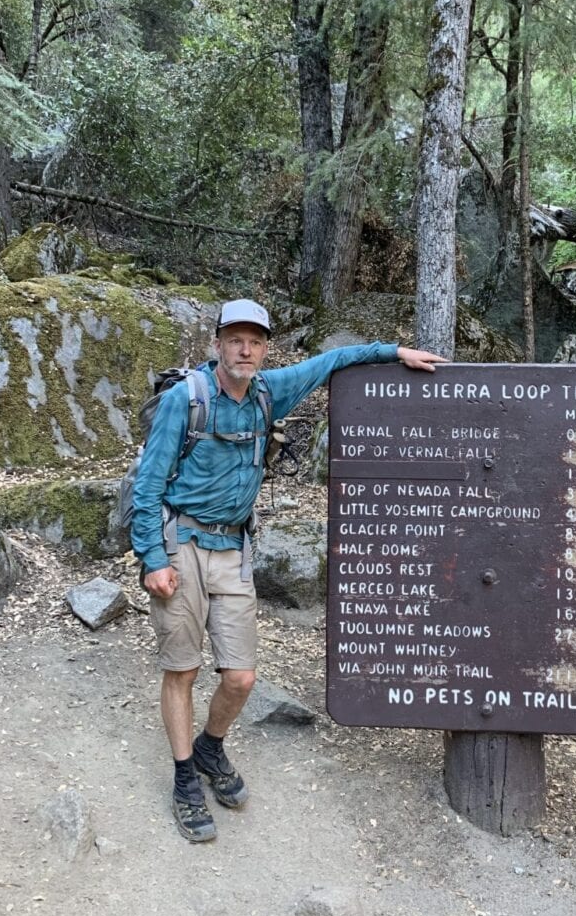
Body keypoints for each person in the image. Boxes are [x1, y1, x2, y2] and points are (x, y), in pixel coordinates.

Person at [131, 298, 445, 842]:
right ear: (218, 344)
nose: (245, 349)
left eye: (254, 340)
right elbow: (148, 483)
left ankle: (211, 746)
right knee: (182, 669)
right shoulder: (187, 400)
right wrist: (152, 560)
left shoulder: (270, 391)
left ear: (266, 348)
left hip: (232, 547)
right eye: (235, 339)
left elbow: (336, 360)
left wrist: (394, 352)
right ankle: (185, 776)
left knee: (241, 676)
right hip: (179, 541)